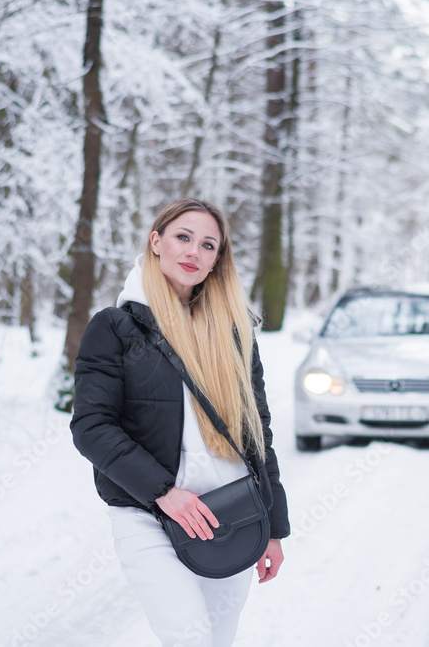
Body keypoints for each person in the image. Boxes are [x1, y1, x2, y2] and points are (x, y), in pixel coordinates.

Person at [70, 198, 290, 647]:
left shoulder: (234, 333)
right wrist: (163, 494)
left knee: (217, 638)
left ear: (216, 261)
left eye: (208, 245)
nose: (194, 251)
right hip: (149, 512)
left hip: (231, 511)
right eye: (183, 237)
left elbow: (257, 432)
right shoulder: (114, 328)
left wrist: (273, 527)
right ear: (156, 242)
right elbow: (91, 426)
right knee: (188, 635)